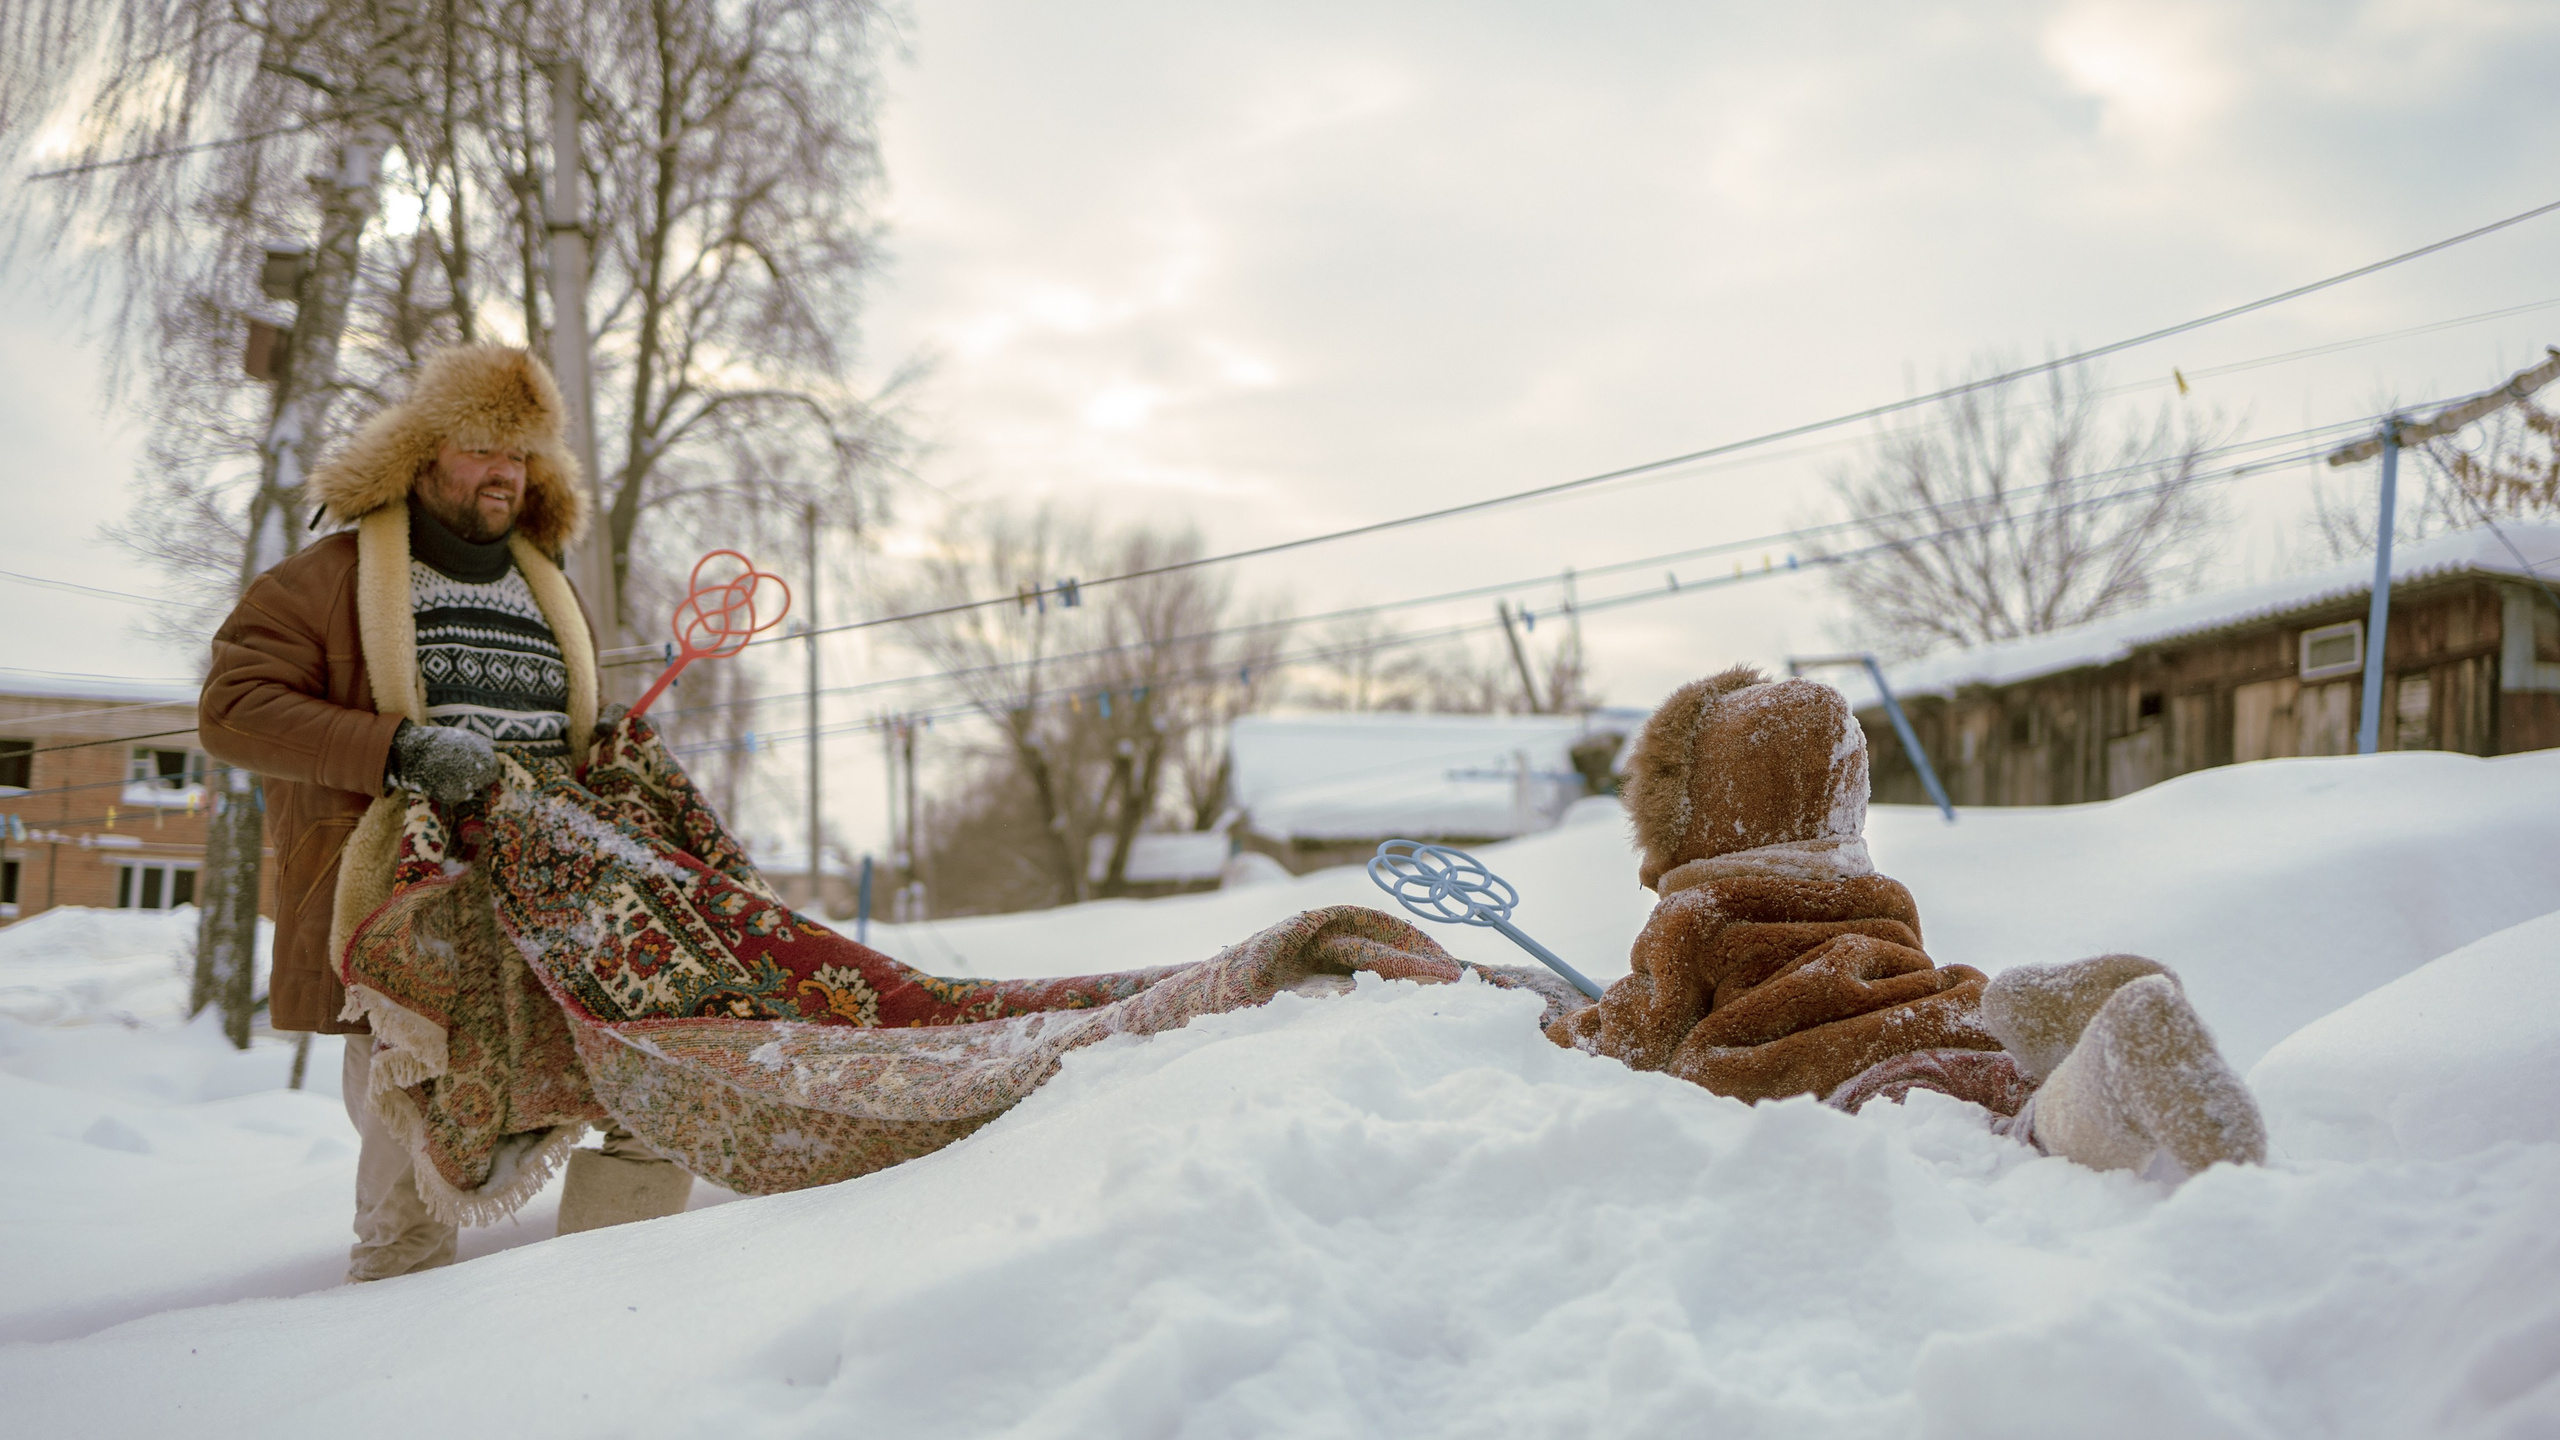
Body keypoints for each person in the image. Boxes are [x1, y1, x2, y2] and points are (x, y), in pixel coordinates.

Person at [199, 344, 692, 1282]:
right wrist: (398, 749)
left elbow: (567, 738)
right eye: (481, 448)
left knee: (652, 1099)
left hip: (552, 910)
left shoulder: (547, 587)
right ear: (424, 453)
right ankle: (399, 1364)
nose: (505, 470)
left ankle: (611, 1320)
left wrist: (604, 752)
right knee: (412, 1183)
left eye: (522, 453)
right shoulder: (329, 578)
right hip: (401, 930)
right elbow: (231, 711)